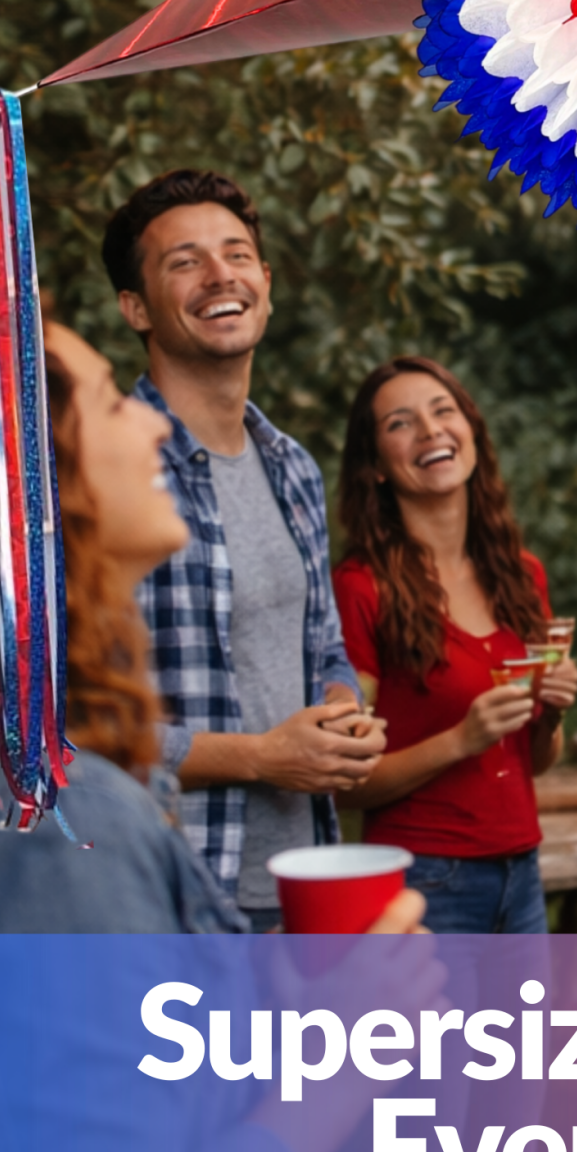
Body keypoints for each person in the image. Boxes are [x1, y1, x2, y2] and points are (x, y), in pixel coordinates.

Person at [0, 299, 423, 936]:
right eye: (110, 403)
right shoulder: (52, 831)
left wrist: (285, 978)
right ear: (20, 479)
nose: (155, 425)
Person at [103, 171, 383, 928]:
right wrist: (259, 756)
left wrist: (341, 709)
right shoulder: (102, 472)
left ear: (266, 283)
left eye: (236, 254)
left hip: (302, 878)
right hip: (167, 890)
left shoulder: (293, 467)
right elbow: (61, 723)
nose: (219, 275)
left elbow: (324, 647)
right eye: (184, 261)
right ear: (136, 308)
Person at [332, 357, 577, 934]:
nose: (430, 430)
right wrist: (460, 740)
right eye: (400, 423)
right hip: (425, 879)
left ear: (471, 432)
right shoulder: (362, 587)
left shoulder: (522, 576)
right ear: (375, 466)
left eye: (443, 411)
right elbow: (345, 784)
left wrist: (552, 712)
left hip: (521, 873)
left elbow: (536, 761)